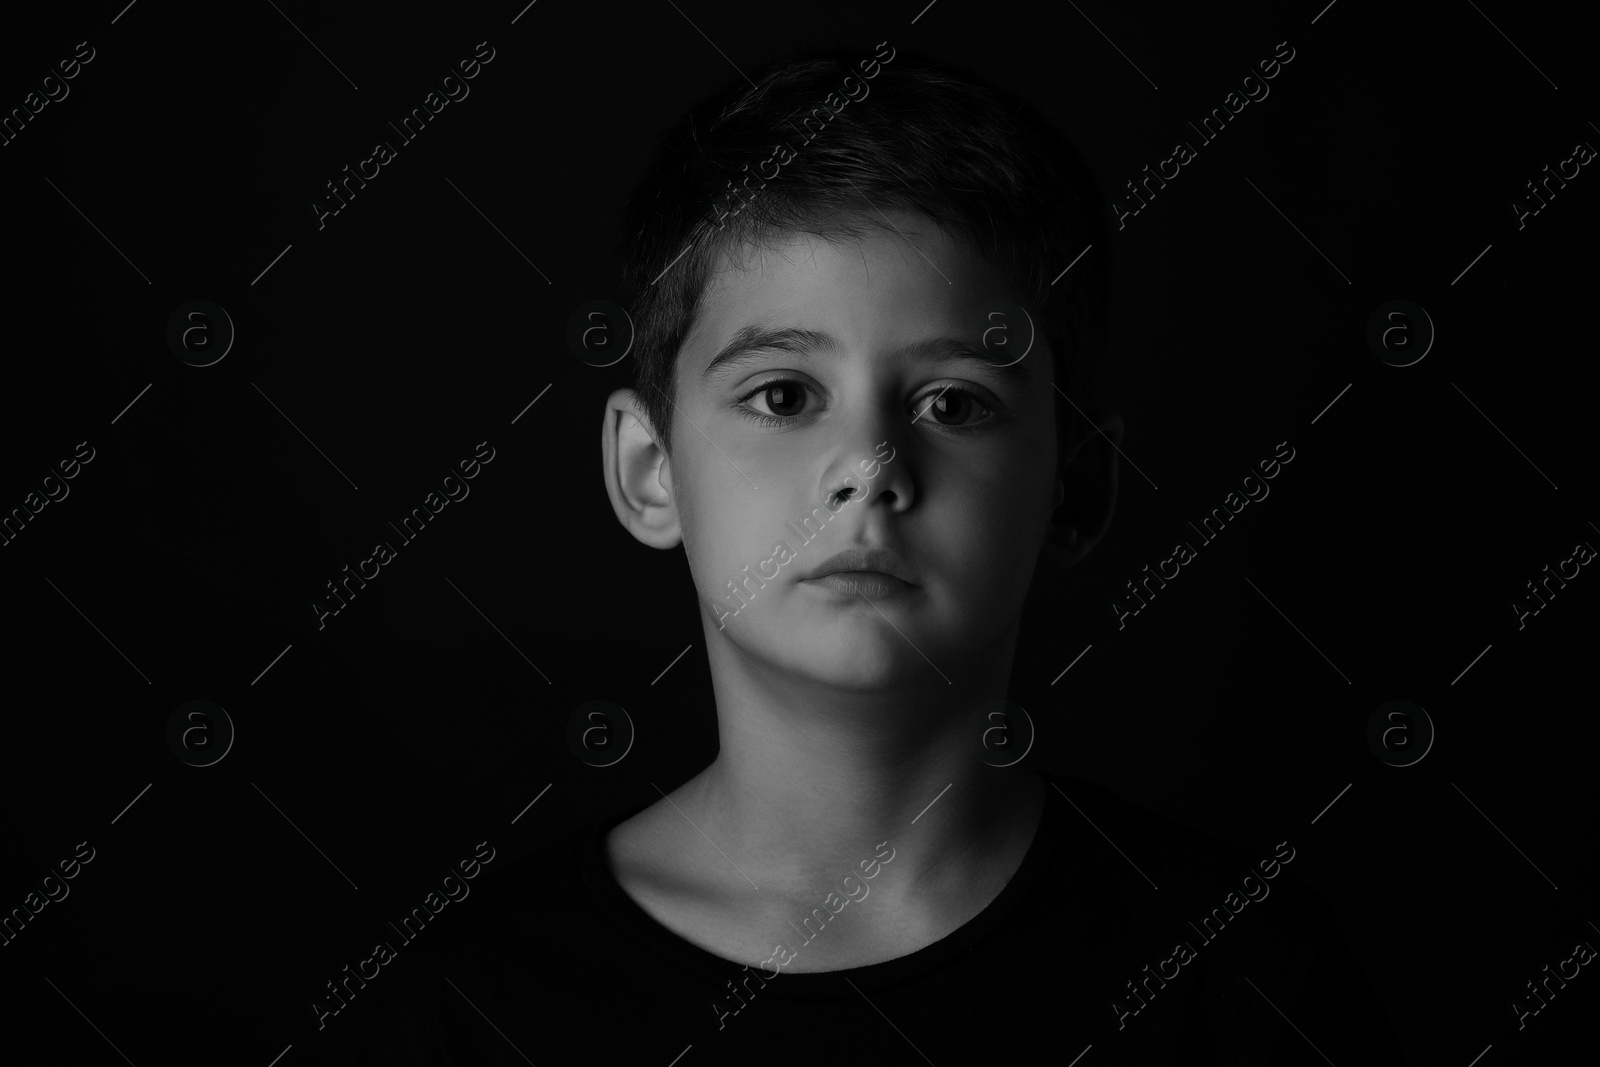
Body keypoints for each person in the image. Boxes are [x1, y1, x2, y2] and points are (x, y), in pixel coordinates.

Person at [328, 46, 1405, 1064]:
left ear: (1072, 486)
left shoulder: (1240, 977)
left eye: (952, 402)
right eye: (784, 395)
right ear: (650, 468)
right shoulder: (467, 1005)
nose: (869, 468)